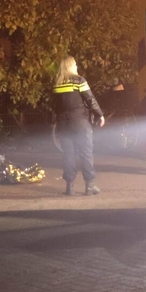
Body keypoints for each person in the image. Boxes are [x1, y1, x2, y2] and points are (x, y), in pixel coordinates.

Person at [52, 55, 105, 196]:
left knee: (69, 154)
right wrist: (99, 114)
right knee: (86, 153)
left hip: (63, 124)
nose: (76, 66)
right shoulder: (79, 81)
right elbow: (90, 99)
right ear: (71, 65)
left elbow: (55, 105)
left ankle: (69, 187)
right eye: (75, 64)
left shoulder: (57, 83)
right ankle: (90, 185)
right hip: (80, 123)